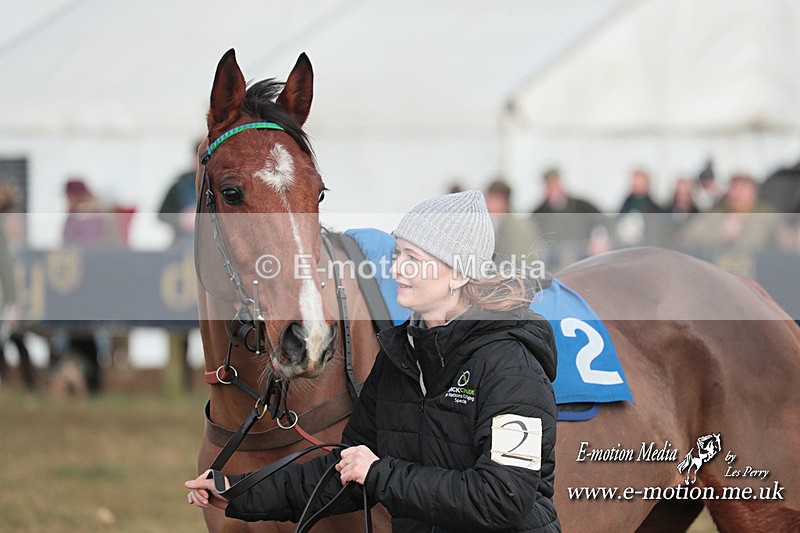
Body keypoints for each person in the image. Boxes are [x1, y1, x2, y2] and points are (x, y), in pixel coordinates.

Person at [185, 189, 561, 532]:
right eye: (398, 255)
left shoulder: (512, 366)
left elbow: (504, 498)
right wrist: (238, 492)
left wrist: (379, 473)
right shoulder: (401, 357)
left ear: (459, 274)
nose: (396, 269)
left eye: (414, 259)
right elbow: (345, 471)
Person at [484, 177, 541, 258]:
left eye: (489, 198)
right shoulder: (504, 222)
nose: (486, 202)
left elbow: (517, 258)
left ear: (501, 200)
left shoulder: (515, 227)